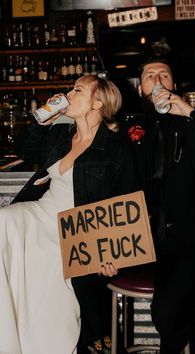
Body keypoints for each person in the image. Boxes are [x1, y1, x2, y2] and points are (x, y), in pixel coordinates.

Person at [0, 75, 137, 354]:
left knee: (54, 288)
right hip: (42, 213)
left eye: (77, 90)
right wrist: (44, 121)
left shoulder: (116, 148)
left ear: (97, 102)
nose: (68, 94)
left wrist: (112, 251)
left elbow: (127, 203)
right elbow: (24, 150)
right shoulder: (61, 135)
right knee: (3, 220)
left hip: (78, 231)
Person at [119, 56, 195, 354]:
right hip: (149, 243)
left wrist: (188, 114)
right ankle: (191, 339)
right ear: (141, 88)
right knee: (183, 310)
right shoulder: (131, 131)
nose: (157, 81)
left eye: (164, 76)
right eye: (150, 76)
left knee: (166, 311)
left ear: (175, 85)